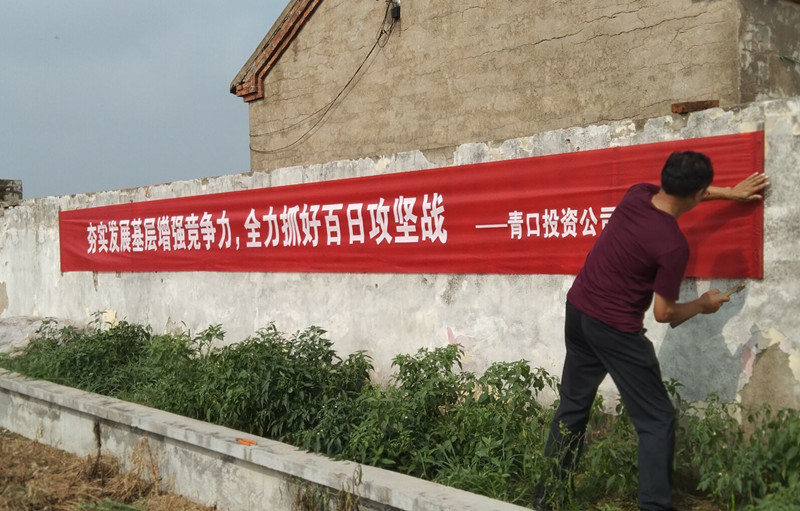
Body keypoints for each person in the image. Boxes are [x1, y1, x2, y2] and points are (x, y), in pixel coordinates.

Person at [540, 151, 769, 511]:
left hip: (579, 310)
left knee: (572, 407)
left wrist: (731, 193)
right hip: (615, 329)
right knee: (657, 419)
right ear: (698, 193)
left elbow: (691, 193)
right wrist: (702, 305)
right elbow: (664, 314)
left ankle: (548, 499)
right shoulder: (672, 244)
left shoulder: (637, 194)